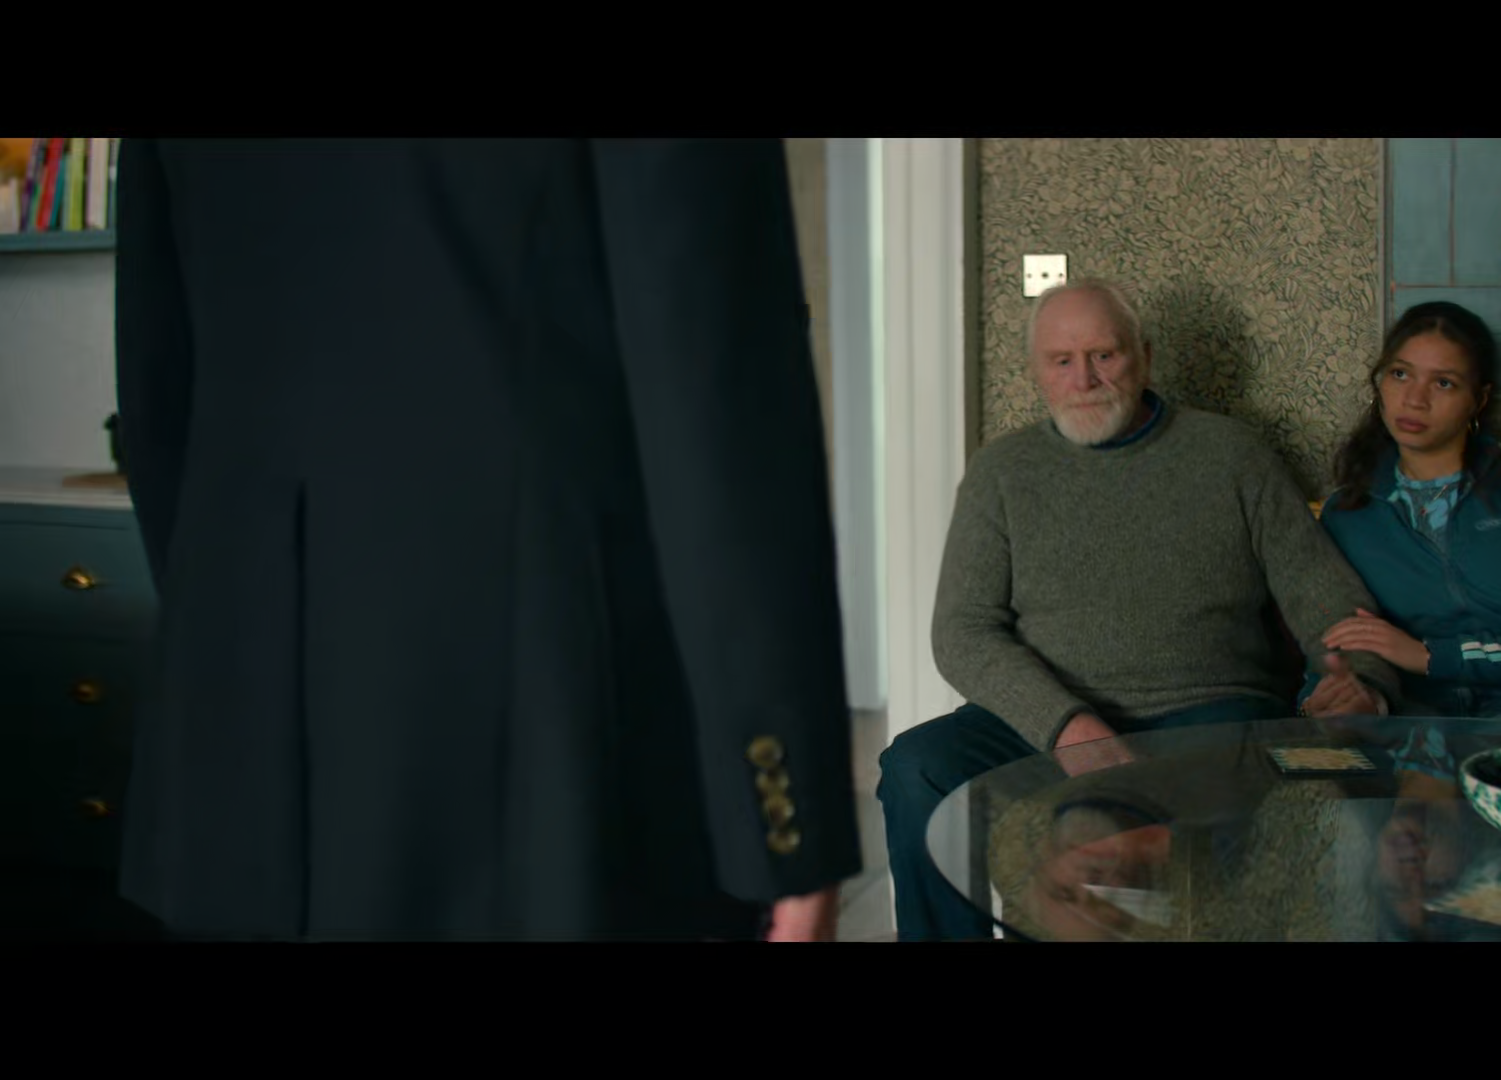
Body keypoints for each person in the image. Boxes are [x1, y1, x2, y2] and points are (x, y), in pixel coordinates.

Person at [112, 138, 858, 941]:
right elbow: (713, 380)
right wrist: (786, 827)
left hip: (234, 741)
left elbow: (158, 399)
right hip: (541, 747)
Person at [877, 279, 1403, 941]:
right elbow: (962, 631)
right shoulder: (1001, 471)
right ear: (1036, 371)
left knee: (1265, 819)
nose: (1084, 379)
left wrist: (1362, 683)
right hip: (1045, 720)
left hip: (1207, 715)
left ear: (1144, 357)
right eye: (1061, 361)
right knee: (916, 769)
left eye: (1104, 355)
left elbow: (1325, 596)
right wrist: (1069, 728)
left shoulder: (1233, 455)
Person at [1303, 300, 1501, 724]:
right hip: (1412, 714)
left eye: (1443, 383)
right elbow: (1337, 639)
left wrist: (1432, 656)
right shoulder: (1348, 510)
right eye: (1400, 374)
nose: (1414, 399)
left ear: (1478, 400)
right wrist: (1334, 699)